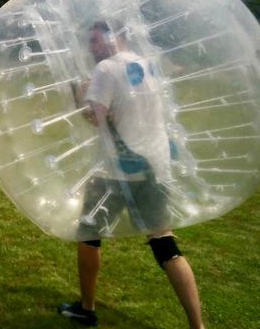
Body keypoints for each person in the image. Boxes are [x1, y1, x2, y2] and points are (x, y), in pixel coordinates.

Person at [58, 20, 204, 328]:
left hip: (119, 169)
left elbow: (94, 119)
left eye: (96, 40)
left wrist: (77, 93)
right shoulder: (148, 64)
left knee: (88, 234)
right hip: (156, 163)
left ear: (113, 38)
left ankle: (86, 309)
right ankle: (198, 326)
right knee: (165, 245)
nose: (91, 47)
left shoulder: (106, 69)